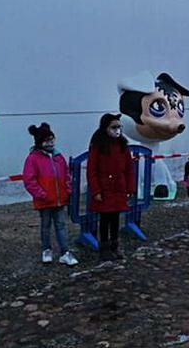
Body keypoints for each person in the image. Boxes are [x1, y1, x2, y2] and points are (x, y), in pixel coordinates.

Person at [22, 123, 78, 266]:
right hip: (44, 200)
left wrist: (67, 189)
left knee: (61, 225)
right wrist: (41, 194)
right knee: (45, 226)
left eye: (52, 139)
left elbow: (66, 174)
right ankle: (46, 250)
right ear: (40, 142)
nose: (51, 143)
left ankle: (65, 253)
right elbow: (29, 180)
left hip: (60, 200)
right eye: (47, 140)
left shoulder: (59, 157)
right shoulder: (33, 159)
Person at [87, 113, 136, 261]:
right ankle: (104, 248)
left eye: (119, 127)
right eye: (114, 127)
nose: (117, 130)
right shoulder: (98, 146)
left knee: (115, 218)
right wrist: (96, 190)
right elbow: (92, 170)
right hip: (104, 188)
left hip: (119, 188)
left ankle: (115, 246)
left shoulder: (122, 145)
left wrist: (130, 188)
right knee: (104, 219)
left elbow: (129, 168)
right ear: (106, 128)